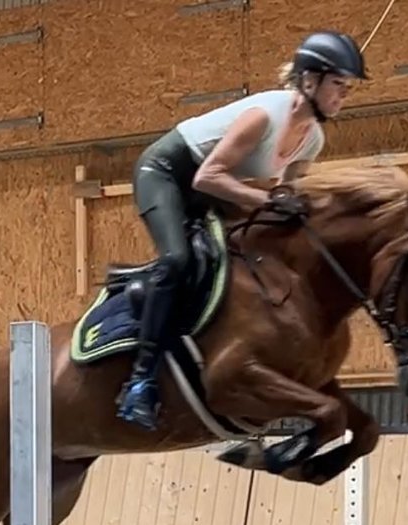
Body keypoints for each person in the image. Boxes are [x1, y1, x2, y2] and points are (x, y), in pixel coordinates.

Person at [115, 30, 368, 430]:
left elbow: (284, 190)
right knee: (179, 260)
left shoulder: (313, 139)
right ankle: (140, 381)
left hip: (217, 186)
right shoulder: (265, 116)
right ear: (309, 81)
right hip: (168, 175)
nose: (344, 96)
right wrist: (269, 201)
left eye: (347, 88)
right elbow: (206, 176)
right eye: (339, 85)